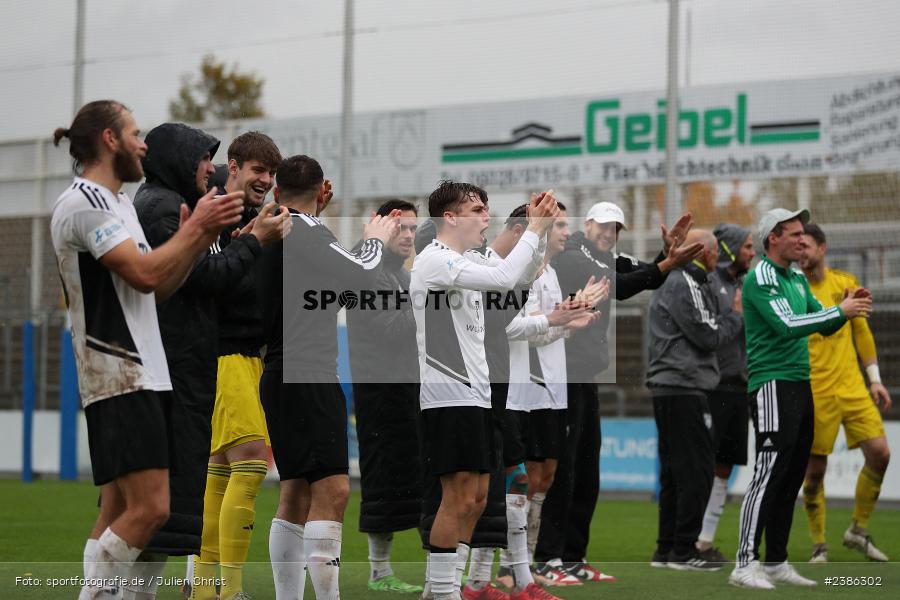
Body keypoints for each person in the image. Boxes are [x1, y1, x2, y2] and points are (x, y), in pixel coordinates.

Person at [50, 100, 244, 599]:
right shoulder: (84, 202)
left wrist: (195, 241)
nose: (143, 144)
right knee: (153, 510)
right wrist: (197, 232)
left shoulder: (117, 203)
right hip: (117, 371)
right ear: (110, 140)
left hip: (146, 372)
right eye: (135, 133)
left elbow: (157, 288)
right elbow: (144, 272)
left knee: (119, 512)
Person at [535, 201, 701, 583]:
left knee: (587, 470)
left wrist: (664, 256)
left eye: (616, 228)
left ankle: (573, 557)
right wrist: (665, 264)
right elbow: (623, 285)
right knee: (563, 470)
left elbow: (643, 274)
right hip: (561, 375)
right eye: (604, 225)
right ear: (588, 223)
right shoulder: (574, 256)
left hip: (585, 376)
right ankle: (547, 558)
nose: (610, 233)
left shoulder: (606, 255)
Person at [258, 154, 398, 600]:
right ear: (323, 190)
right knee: (333, 491)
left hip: (279, 371)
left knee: (295, 493)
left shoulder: (274, 231)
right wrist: (374, 239)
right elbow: (360, 272)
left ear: (277, 191)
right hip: (309, 373)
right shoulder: (306, 229)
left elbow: (333, 289)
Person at [411, 182, 559, 600]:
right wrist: (534, 229)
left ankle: (441, 590)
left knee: (476, 499)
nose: (485, 217)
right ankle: (442, 593)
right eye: (476, 209)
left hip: (476, 395)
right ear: (450, 218)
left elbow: (511, 285)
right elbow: (504, 275)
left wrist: (539, 235)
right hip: (448, 396)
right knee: (457, 498)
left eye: (486, 208)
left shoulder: (465, 261)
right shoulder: (435, 261)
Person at [730, 208, 872, 589]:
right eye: (793, 233)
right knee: (767, 475)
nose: (801, 239)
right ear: (772, 238)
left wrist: (844, 308)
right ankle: (744, 563)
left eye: (802, 233)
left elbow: (820, 321)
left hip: (799, 383)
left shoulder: (794, 275)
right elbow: (788, 325)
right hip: (772, 384)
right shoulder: (760, 277)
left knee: (792, 476)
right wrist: (837, 312)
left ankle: (776, 561)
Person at [193, 132, 286, 600]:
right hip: (223, 355)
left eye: (271, 175)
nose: (265, 182)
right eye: (257, 171)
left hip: (252, 357)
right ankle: (228, 590)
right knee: (251, 459)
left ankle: (206, 588)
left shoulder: (258, 219)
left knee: (221, 469)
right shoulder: (212, 211)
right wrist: (249, 241)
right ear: (234, 166)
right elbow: (212, 282)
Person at [646, 229, 743, 571]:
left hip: (674, 386)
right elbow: (709, 335)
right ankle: (684, 550)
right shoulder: (683, 282)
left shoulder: (683, 280)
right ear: (705, 252)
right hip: (683, 386)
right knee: (697, 470)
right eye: (715, 252)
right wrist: (735, 313)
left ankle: (667, 549)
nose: (718, 259)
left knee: (675, 471)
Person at [799, 223, 892, 563]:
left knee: (881, 454)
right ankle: (819, 545)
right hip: (816, 390)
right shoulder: (794, 288)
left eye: (806, 245)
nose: (801, 251)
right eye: (798, 246)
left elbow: (862, 333)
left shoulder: (845, 284)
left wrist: (875, 379)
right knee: (815, 473)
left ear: (822, 248)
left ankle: (857, 529)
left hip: (852, 387)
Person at [345, 199, 425, 594]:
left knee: (412, 476)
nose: (409, 236)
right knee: (381, 477)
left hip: (406, 388)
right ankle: (379, 573)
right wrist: (428, 301)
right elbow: (391, 328)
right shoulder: (369, 268)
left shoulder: (399, 274)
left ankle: (439, 563)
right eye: (401, 229)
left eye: (413, 229)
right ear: (381, 228)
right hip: (378, 390)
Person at [694, 224, 755, 560]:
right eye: (747, 247)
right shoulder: (708, 282)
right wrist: (735, 314)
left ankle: (704, 540)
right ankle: (686, 540)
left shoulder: (746, 284)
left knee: (725, 466)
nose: (752, 253)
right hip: (711, 387)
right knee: (703, 464)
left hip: (738, 388)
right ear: (731, 249)